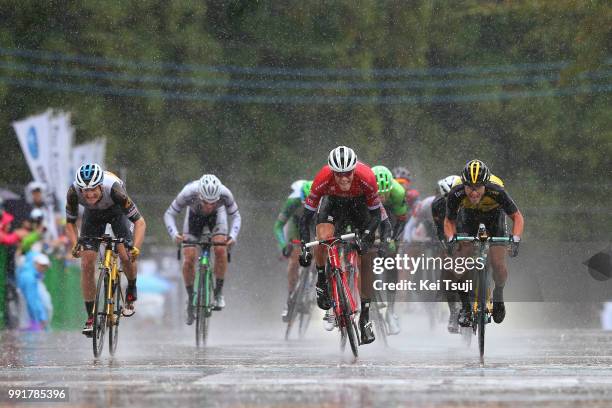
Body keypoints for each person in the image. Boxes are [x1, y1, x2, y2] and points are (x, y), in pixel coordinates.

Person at [299, 146, 382, 344]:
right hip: (333, 204)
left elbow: (376, 214)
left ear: (354, 170)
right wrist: (304, 245)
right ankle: (322, 280)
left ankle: (365, 319)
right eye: (339, 175)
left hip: (359, 204)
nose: (344, 179)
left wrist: (368, 235)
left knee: (367, 258)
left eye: (348, 174)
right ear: (332, 172)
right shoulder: (322, 179)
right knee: (323, 238)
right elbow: (306, 217)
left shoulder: (367, 177)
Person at [65, 163, 146, 336]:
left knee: (126, 255)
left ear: (101, 185)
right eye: (85, 191)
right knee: (87, 264)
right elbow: (70, 223)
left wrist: (136, 248)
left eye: (93, 189)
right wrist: (75, 244)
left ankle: (131, 287)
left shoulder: (115, 190)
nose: (89, 194)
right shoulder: (73, 192)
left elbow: (140, 222)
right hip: (92, 217)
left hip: (117, 213)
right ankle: (91, 316)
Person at [444, 159, 524, 326]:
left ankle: (499, 293)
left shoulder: (496, 190)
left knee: (498, 264)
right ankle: (466, 307)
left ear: (485, 185)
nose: (473, 193)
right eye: (469, 188)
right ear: (463, 184)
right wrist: (451, 238)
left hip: (494, 217)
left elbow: (517, 217)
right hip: (469, 217)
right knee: (460, 264)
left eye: (478, 188)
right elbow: (449, 220)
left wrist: (515, 239)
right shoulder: (456, 192)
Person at [164, 174, 241, 324]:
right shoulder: (188, 192)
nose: (210, 206)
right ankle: (191, 297)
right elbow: (169, 214)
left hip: (217, 218)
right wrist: (174, 235)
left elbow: (236, 216)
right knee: (189, 258)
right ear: (199, 195)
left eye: (214, 202)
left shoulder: (225, 194)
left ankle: (218, 293)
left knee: (220, 249)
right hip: (194, 218)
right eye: (206, 202)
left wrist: (233, 236)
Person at [371, 165, 409, 335]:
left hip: (392, 217)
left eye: (384, 194)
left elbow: (401, 221)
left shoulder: (398, 193)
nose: (381, 198)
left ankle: (391, 311)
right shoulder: (364, 191)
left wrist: (392, 240)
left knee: (391, 257)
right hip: (369, 213)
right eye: (378, 194)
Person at [273, 180, 313, 321]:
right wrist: (284, 246)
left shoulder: (324, 201)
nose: (306, 206)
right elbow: (278, 226)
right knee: (295, 259)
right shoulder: (293, 201)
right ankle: (290, 298)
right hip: (297, 225)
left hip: (316, 224)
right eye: (304, 204)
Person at [16, 252, 51, 331]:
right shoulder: (30, 278)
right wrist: (40, 318)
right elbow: (32, 301)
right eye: (42, 266)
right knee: (31, 337)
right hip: (30, 319)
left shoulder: (28, 273)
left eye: (45, 266)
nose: (44, 269)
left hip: (26, 317)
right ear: (35, 263)